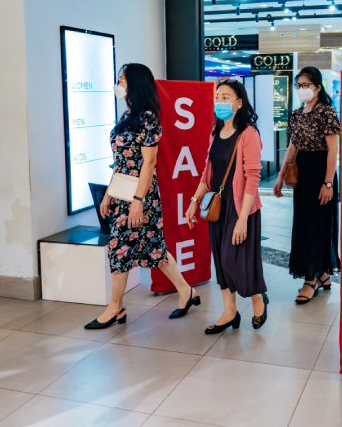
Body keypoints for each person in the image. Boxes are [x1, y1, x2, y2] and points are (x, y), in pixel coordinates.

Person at [86, 64, 197, 329]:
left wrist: (137, 202)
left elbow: (149, 163)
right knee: (153, 247)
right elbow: (120, 161)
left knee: (121, 247)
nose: (119, 85)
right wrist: (108, 194)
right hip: (122, 192)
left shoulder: (148, 117)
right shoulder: (128, 115)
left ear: (135, 84)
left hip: (139, 196)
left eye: (122, 80)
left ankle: (115, 307)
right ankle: (186, 291)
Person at [186, 78, 268, 333]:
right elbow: (207, 173)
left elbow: (253, 177)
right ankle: (229, 312)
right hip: (218, 206)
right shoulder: (215, 132)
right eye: (217, 97)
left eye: (225, 97)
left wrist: (242, 219)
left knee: (238, 260)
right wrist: (194, 202)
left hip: (241, 207)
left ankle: (257, 297)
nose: (219, 102)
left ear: (239, 103)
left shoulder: (248, 133)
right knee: (221, 261)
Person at [273, 67, 341, 305]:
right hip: (301, 173)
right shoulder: (295, 114)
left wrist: (328, 183)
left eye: (305, 85)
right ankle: (321, 275)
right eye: (298, 85)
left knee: (318, 225)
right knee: (303, 224)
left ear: (318, 87)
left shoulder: (327, 112)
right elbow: (292, 147)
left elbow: (333, 149)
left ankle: (310, 279)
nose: (301, 89)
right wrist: (280, 176)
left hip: (321, 172)